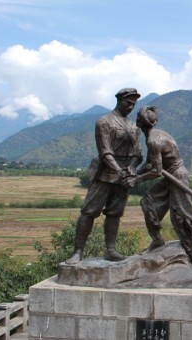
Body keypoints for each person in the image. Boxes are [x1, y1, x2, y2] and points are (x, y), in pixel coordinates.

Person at [123, 105, 192, 265]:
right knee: (148, 202)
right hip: (171, 176)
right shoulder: (153, 137)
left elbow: (156, 171)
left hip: (178, 177)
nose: (136, 121)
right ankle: (157, 240)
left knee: (185, 218)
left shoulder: (154, 140)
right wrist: (134, 173)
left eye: (138, 119)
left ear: (140, 122)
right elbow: (150, 164)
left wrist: (136, 180)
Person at [66, 88, 142, 264]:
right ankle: (78, 251)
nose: (130, 107)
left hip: (124, 177)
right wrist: (118, 169)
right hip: (105, 173)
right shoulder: (104, 122)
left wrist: (130, 168)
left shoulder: (133, 127)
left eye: (133, 104)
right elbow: (105, 151)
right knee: (89, 211)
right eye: (128, 102)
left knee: (115, 214)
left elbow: (138, 153)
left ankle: (111, 250)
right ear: (119, 100)